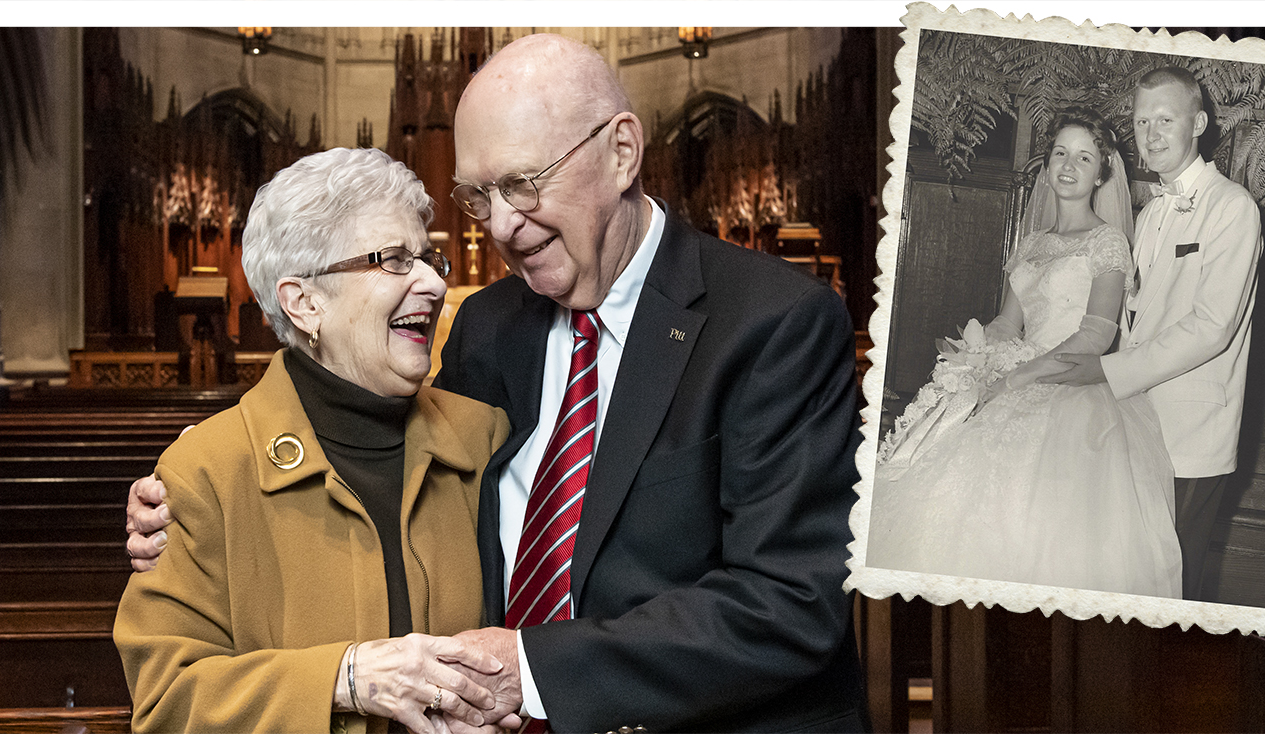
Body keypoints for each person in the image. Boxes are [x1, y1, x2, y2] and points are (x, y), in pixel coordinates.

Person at [127, 34, 865, 733]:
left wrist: (533, 670)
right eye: (478, 198)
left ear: (621, 152)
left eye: (522, 183)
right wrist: (206, 473)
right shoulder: (487, 326)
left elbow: (790, 603)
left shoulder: (774, 322)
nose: (502, 226)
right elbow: (388, 445)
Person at [114, 148, 517, 733]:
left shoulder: (485, 438)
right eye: (394, 260)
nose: (431, 281)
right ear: (304, 303)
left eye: (429, 258)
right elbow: (167, 700)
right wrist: (343, 679)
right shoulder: (208, 469)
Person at [867, 107, 1182, 598]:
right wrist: (975, 352)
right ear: (1047, 165)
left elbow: (1096, 336)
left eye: (1083, 157)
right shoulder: (1032, 242)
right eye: (1060, 153)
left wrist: (1014, 378)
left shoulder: (1108, 242)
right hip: (1012, 369)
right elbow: (1009, 321)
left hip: (1072, 385)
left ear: (1102, 171)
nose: (1069, 166)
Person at [1043, 67, 1263, 603]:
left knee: (1174, 583)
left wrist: (1106, 371)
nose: (1152, 133)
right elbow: (1135, 316)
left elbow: (1213, 326)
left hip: (1193, 431)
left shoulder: (1232, 207)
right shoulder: (1147, 215)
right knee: (1135, 575)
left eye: (1166, 119)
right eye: (1143, 121)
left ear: (1200, 123)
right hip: (1137, 425)